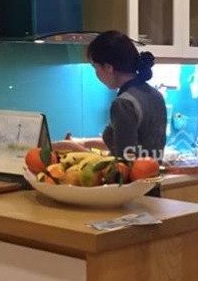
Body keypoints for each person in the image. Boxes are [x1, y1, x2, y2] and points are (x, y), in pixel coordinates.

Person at [55, 31, 167, 191]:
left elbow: (122, 163)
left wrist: (75, 150)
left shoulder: (123, 104)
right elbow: (129, 142)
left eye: (95, 67)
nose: (96, 73)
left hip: (127, 194)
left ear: (108, 67)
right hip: (150, 190)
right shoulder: (154, 95)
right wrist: (83, 142)